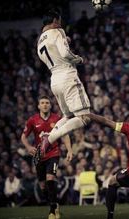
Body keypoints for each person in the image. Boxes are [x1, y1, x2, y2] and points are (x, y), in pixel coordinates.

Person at [36, 9, 90, 158]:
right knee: (85, 117)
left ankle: (47, 139)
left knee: (67, 116)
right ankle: (51, 138)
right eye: (59, 21)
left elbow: (52, 53)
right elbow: (65, 54)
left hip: (54, 79)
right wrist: (78, 59)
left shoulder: (40, 40)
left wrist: (65, 42)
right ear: (55, 21)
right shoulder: (58, 31)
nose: (60, 24)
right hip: (67, 75)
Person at [21, 95, 73, 219]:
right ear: (38, 106)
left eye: (47, 103)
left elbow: (65, 135)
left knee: (50, 178)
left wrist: (70, 150)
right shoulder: (32, 120)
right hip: (39, 155)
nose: (45, 105)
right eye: (42, 103)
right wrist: (28, 147)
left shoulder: (57, 119)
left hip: (53, 153)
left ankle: (52, 212)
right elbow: (23, 136)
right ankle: (55, 205)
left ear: (50, 105)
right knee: (43, 186)